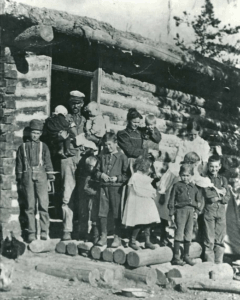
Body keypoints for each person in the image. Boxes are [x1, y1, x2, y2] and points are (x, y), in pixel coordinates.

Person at [16, 119, 55, 243]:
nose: (35, 135)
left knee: (44, 205)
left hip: (42, 176)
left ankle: (44, 232)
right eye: (33, 132)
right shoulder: (23, 147)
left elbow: (48, 164)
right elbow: (19, 165)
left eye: (38, 133)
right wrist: (20, 180)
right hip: (27, 176)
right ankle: (31, 233)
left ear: (41, 134)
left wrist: (49, 180)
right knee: (30, 206)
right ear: (30, 132)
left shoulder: (44, 147)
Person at [60, 90, 86, 241]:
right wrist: (60, 148)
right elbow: (56, 134)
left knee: (83, 193)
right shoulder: (64, 117)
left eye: (78, 103)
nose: (75, 106)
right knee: (67, 193)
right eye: (72, 103)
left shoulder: (87, 120)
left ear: (82, 104)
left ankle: (82, 229)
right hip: (68, 157)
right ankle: (67, 230)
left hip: (83, 158)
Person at [95, 132, 129, 248]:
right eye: (106, 145)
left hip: (116, 189)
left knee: (116, 212)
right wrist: (101, 175)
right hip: (104, 187)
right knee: (102, 212)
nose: (108, 147)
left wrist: (117, 178)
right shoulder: (102, 156)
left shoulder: (122, 157)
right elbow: (96, 170)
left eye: (110, 145)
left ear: (116, 143)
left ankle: (117, 237)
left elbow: (127, 175)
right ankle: (103, 236)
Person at [122, 156, 160, 250]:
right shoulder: (136, 177)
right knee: (139, 222)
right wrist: (149, 193)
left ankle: (147, 241)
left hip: (146, 202)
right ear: (144, 167)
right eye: (149, 167)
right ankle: (132, 241)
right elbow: (139, 190)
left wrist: (153, 191)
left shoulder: (145, 177)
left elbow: (149, 188)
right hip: (138, 202)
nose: (151, 169)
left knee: (148, 221)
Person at [168, 164, 203, 266]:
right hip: (180, 212)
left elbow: (199, 200)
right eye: (183, 175)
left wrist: (197, 212)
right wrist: (171, 214)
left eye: (188, 175)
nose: (185, 178)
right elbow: (171, 200)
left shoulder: (194, 187)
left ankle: (186, 255)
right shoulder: (177, 186)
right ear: (180, 175)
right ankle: (176, 257)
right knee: (179, 233)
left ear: (192, 175)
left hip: (191, 212)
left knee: (188, 233)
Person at [203, 155, 230, 263]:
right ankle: (210, 264)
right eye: (211, 166)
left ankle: (218, 263)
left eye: (216, 166)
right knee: (209, 239)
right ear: (208, 166)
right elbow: (208, 195)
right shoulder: (205, 179)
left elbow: (227, 197)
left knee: (220, 239)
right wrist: (220, 193)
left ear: (219, 167)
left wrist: (218, 196)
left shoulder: (223, 179)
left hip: (221, 212)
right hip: (209, 211)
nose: (213, 169)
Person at [83, 156, 100, 243]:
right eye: (89, 166)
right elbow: (86, 188)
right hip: (93, 199)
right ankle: (93, 236)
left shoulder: (97, 174)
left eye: (93, 166)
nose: (91, 168)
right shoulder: (89, 176)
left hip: (99, 200)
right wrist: (95, 193)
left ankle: (96, 235)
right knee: (92, 217)